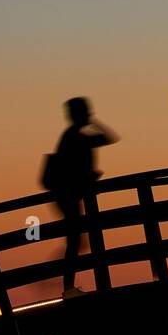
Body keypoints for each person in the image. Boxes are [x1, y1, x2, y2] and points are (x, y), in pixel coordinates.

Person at [44, 97, 120, 297]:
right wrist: (93, 121)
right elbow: (109, 138)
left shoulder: (73, 135)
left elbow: (109, 139)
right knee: (76, 242)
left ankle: (65, 285)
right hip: (68, 195)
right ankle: (65, 286)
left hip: (69, 195)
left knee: (77, 242)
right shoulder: (74, 136)